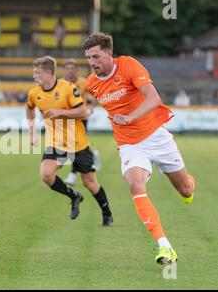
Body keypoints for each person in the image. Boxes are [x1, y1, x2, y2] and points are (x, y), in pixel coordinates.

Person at [82, 32, 195, 265]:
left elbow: (153, 98)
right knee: (135, 184)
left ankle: (188, 186)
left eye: (96, 56)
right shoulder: (91, 84)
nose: (92, 63)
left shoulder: (129, 65)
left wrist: (129, 117)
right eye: (88, 58)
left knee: (185, 189)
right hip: (129, 144)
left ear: (109, 53)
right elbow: (90, 104)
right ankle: (165, 247)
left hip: (156, 136)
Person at [26, 56, 113, 226]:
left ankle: (107, 212)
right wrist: (32, 132)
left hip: (78, 143)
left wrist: (60, 112)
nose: (34, 76)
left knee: (90, 183)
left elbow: (83, 112)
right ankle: (74, 196)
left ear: (49, 73)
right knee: (46, 174)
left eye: (38, 73)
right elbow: (29, 108)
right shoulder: (34, 93)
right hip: (56, 143)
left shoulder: (67, 88)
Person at [61, 58, 102, 187]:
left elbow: (98, 95)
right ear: (64, 71)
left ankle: (72, 175)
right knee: (74, 147)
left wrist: (91, 108)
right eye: (67, 69)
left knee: (74, 147)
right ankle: (92, 154)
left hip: (81, 118)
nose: (70, 71)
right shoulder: (60, 83)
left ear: (77, 70)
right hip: (66, 119)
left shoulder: (84, 82)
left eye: (72, 68)